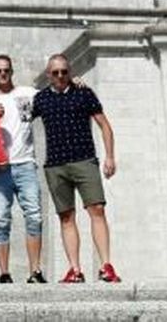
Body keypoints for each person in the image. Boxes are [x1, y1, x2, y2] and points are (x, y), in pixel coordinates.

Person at [33, 54, 118, 283]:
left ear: (69, 72)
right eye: (55, 72)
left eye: (64, 71)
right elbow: (18, 119)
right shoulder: (40, 99)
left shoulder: (84, 93)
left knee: (97, 209)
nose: (60, 76)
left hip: (84, 160)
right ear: (48, 75)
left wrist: (110, 157)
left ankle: (106, 266)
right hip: (55, 165)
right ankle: (75, 269)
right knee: (66, 216)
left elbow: (105, 126)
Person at [0, 54, 45, 283]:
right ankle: (4, 273)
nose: (3, 74)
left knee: (34, 216)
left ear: (12, 71)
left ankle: (35, 271)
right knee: (1, 219)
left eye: (6, 70)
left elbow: (55, 96)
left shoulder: (28, 93)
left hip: (26, 165)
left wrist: (74, 83)